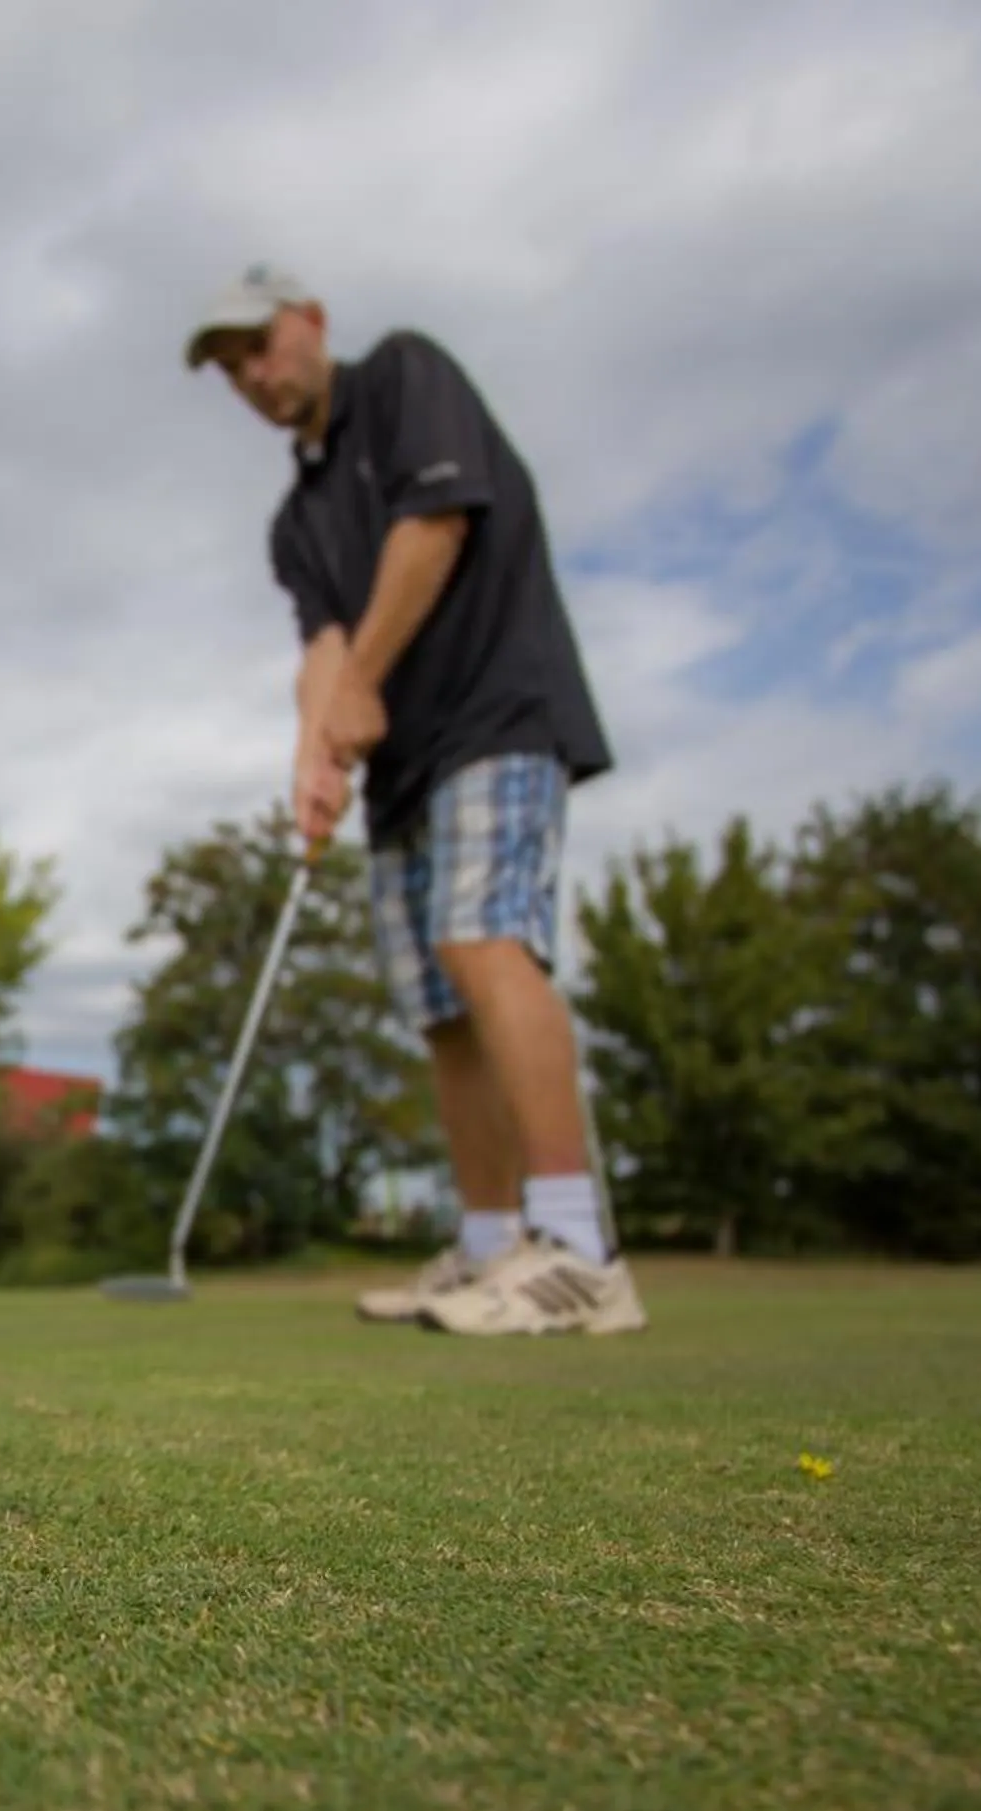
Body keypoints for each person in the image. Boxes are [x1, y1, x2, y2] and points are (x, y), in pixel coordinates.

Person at [183, 263, 645, 1337]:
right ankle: (490, 1249)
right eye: (229, 365)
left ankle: (578, 1249)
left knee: (485, 939)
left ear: (310, 320)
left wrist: (354, 691)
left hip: (497, 711)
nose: (252, 373)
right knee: (440, 1007)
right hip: (402, 763)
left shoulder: (404, 377)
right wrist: (313, 759)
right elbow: (324, 651)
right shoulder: (294, 521)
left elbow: (433, 530)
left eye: (260, 343)